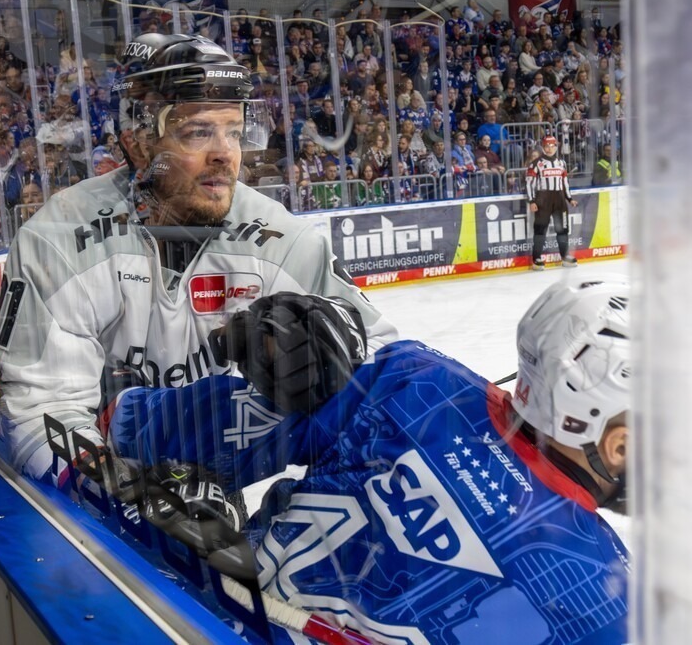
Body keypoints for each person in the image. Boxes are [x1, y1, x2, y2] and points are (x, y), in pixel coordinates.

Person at [86, 276, 630, 644]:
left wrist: (125, 417)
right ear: (616, 441)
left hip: (184, 612)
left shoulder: (423, 382)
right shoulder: (607, 600)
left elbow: (226, 427)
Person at [0, 33, 398, 483]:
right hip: (95, 508)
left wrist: (337, 348)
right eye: (198, 132)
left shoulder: (282, 238)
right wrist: (127, 496)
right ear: (139, 143)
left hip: (209, 487)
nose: (225, 153)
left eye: (234, 131)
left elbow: (385, 366)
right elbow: (40, 413)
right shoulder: (58, 240)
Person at [526, 135, 577, 270]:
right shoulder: (536, 163)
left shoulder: (561, 163)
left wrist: (569, 198)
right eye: (546, 146)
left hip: (559, 199)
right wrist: (532, 201)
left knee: (563, 229)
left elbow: (565, 182)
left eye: (552, 146)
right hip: (543, 199)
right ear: (543, 147)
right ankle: (537, 258)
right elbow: (529, 184)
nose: (549, 149)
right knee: (540, 229)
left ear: (556, 147)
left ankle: (565, 256)